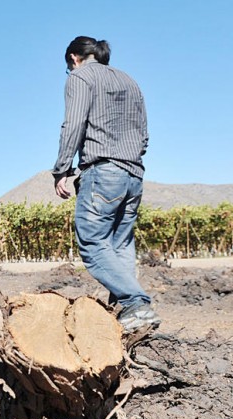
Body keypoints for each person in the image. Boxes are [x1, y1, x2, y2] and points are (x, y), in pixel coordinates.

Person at [52, 36, 160, 332]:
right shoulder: (130, 80)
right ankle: (126, 315)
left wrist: (62, 170)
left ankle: (136, 302)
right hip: (134, 172)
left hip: (103, 171)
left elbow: (73, 124)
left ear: (74, 58)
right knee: (120, 243)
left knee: (92, 242)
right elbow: (144, 133)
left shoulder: (80, 77)